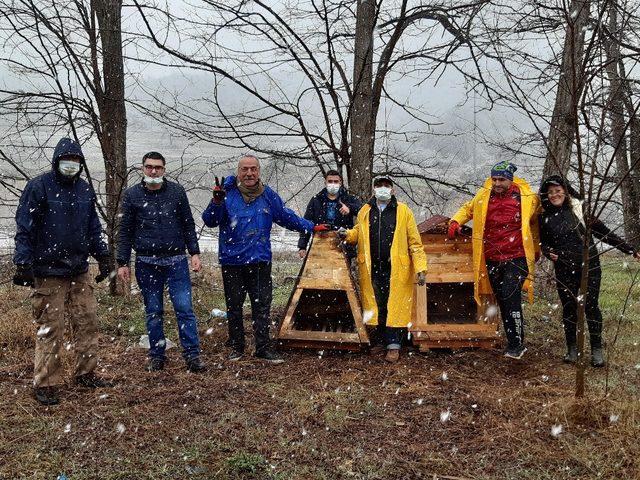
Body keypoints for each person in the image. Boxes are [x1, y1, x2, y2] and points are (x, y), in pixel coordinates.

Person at [13, 137, 113, 406]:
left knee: (87, 322)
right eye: (67, 159)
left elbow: (93, 227)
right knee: (51, 329)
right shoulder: (39, 187)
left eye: (77, 160)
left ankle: (86, 373)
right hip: (48, 272)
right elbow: (25, 227)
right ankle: (45, 383)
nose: (72, 164)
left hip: (79, 270)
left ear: (81, 163)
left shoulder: (84, 190)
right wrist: (23, 262)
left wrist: (103, 256)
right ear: (57, 160)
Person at [202, 154, 328, 364]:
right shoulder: (226, 194)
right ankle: (236, 347)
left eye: (253, 169)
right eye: (245, 169)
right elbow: (210, 221)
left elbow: (286, 216)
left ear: (259, 171)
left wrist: (311, 226)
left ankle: (263, 348)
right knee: (234, 306)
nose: (249, 173)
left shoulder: (267, 195)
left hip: (260, 261)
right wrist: (216, 202)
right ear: (238, 172)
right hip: (232, 262)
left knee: (262, 306)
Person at [117, 151, 205, 373]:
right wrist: (122, 262)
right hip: (146, 262)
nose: (153, 171)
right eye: (149, 167)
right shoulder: (132, 195)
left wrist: (194, 252)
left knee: (184, 308)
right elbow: (125, 231)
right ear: (143, 169)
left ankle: (192, 355)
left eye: (157, 167)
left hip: (176, 261)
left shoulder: (176, 192)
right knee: (153, 310)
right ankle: (157, 355)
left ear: (164, 169)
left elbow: (187, 224)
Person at [539, 175, 639, 367]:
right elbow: (544, 243)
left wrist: (630, 250)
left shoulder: (580, 210)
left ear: (566, 191)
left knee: (591, 307)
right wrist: (548, 252)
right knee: (569, 308)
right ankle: (572, 349)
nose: (554, 195)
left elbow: (604, 233)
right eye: (550, 192)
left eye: (558, 190)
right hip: (564, 269)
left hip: (589, 266)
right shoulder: (544, 217)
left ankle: (596, 350)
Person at [448, 162, 540, 360]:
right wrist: (456, 221)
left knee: (510, 296)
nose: (497, 183)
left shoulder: (526, 198)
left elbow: (537, 222)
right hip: (491, 257)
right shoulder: (484, 195)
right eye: (494, 179)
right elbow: (468, 209)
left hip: (516, 256)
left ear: (511, 179)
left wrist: (538, 248)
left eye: (502, 179)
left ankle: (517, 344)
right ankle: (511, 340)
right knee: (501, 299)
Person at [338, 176, 427, 363]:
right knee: (376, 305)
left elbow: (415, 242)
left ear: (392, 190)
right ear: (374, 189)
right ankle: (379, 341)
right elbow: (358, 232)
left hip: (396, 268)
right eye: (379, 186)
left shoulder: (403, 211)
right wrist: (347, 234)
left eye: (386, 186)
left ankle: (393, 345)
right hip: (372, 267)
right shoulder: (365, 210)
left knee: (393, 305)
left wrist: (420, 267)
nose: (383, 189)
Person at [298, 169, 362, 259]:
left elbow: (363, 213)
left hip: (343, 247)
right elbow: (306, 223)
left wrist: (350, 208)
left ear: (340, 183)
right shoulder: (316, 200)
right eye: (330, 181)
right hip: (320, 244)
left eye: (336, 181)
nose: (333, 184)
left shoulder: (349, 199)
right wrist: (302, 246)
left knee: (342, 273)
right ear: (325, 182)